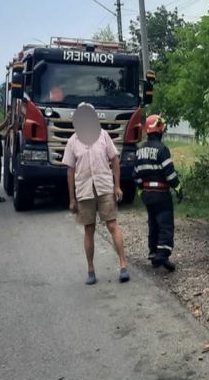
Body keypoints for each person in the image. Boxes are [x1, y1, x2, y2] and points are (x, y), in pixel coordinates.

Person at [62, 102, 130, 285]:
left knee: (112, 225)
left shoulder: (104, 136)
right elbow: (70, 171)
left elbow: (114, 160)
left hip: (104, 187)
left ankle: (123, 265)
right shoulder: (72, 141)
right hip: (84, 190)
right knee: (89, 229)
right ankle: (90, 269)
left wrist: (117, 186)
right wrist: (72, 199)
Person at [134, 115, 182, 271]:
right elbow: (170, 174)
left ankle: (154, 253)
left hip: (148, 194)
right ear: (159, 130)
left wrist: (142, 190)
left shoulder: (139, 150)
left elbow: (136, 174)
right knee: (165, 224)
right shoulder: (162, 149)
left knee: (153, 223)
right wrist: (178, 188)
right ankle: (162, 254)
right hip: (161, 194)